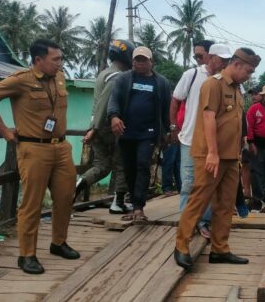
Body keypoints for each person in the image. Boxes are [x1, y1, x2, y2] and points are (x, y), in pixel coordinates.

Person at [0, 39, 80, 274]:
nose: (60, 63)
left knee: (65, 197)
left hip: (61, 147)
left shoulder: (59, 77)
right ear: (38, 60)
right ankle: (27, 255)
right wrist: (4, 130)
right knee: (32, 204)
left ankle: (58, 242)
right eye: (55, 59)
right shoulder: (20, 80)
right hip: (34, 149)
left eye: (60, 59)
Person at [174, 48, 261, 271]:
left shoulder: (238, 89)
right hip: (211, 155)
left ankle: (219, 248)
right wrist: (212, 152)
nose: (249, 76)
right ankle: (181, 245)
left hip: (231, 157)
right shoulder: (213, 84)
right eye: (248, 71)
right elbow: (208, 117)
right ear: (237, 64)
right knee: (199, 199)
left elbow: (234, 121)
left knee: (225, 204)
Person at [107, 46, 171, 221]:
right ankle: (134, 202)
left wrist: (167, 131)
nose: (139, 63)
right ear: (132, 61)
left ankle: (138, 208)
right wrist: (114, 117)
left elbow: (166, 109)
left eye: (144, 60)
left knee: (143, 165)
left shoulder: (162, 83)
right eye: (136, 60)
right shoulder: (123, 79)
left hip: (148, 133)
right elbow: (114, 100)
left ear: (151, 62)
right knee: (129, 169)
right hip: (126, 132)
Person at [76, 39, 134, 213]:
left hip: (97, 124)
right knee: (122, 163)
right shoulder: (117, 77)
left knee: (102, 165)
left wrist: (93, 127)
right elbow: (104, 103)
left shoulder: (104, 73)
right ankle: (119, 202)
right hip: (110, 127)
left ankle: (79, 182)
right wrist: (95, 129)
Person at [169, 41, 220, 233]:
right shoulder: (191, 75)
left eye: (200, 55)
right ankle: (187, 222)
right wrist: (174, 126)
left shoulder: (223, 79)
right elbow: (175, 101)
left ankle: (204, 221)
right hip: (189, 138)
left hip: (212, 142)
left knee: (206, 183)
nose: (198, 59)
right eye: (196, 56)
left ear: (212, 55)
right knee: (188, 182)